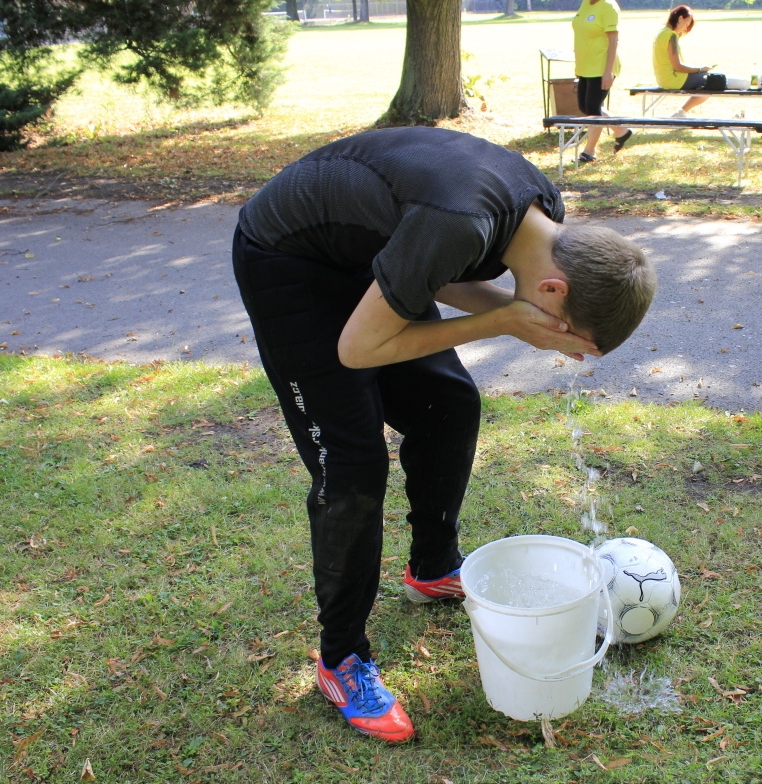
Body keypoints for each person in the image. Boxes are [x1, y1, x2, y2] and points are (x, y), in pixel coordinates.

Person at [231, 127, 657, 741]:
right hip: (289, 262)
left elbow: (432, 268)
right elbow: (358, 349)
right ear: (555, 287)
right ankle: (341, 658)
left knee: (449, 404)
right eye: (559, 324)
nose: (550, 333)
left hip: (362, 255)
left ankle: (432, 568)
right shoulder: (462, 219)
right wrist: (508, 321)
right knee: (352, 467)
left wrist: (519, 315)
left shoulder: (544, 220)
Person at [652, 5, 762, 118]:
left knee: (709, 85)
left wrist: (699, 70)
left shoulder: (661, 33)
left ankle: (681, 113)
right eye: (686, 23)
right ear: (680, 18)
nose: (686, 27)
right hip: (674, 80)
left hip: (664, 79)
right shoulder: (671, 36)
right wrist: (700, 70)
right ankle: (759, 81)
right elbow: (678, 67)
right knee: (715, 80)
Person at [572, 0, 633, 163]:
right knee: (584, 107)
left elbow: (614, 41)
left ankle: (589, 151)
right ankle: (621, 131)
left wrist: (608, 72)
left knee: (593, 109)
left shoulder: (608, 6)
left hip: (602, 66)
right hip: (585, 66)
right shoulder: (585, 3)